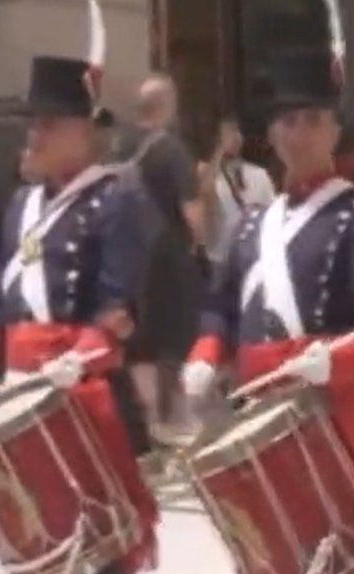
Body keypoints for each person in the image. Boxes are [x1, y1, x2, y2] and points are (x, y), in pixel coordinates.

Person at [180, 48, 354, 574]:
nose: (298, 132)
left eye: (312, 119)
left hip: (327, 413)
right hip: (264, 414)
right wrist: (205, 352)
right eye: (287, 121)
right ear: (271, 133)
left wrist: (334, 359)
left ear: (334, 129)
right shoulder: (256, 224)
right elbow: (220, 307)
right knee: (287, 569)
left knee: (340, 571)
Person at [0, 50, 160, 574]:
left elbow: (121, 305)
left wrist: (80, 356)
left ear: (84, 129)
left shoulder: (115, 201)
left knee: (106, 531)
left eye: (49, 123)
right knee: (60, 525)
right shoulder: (22, 205)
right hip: (30, 382)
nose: (35, 134)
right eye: (31, 123)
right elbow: (8, 298)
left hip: (89, 383)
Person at [117, 74, 203, 443]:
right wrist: (199, 245)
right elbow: (192, 212)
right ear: (168, 108)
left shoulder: (124, 149)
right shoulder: (172, 151)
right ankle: (171, 420)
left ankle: (146, 418)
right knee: (173, 341)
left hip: (133, 259)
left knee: (140, 344)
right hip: (170, 258)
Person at [203, 115, 276, 279]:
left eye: (237, 132)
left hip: (253, 258)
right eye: (228, 133)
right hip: (220, 260)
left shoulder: (259, 174)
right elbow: (205, 193)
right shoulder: (212, 178)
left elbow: (272, 215)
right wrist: (220, 151)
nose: (235, 137)